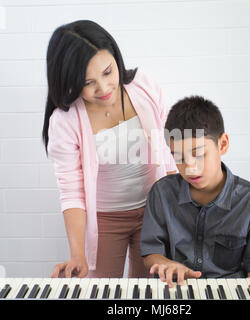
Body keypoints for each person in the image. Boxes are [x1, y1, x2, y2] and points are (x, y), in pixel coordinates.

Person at [42, 20, 177, 278]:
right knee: (102, 293)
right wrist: (78, 254)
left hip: (154, 212)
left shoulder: (144, 85)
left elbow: (171, 153)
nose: (103, 88)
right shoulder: (65, 120)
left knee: (147, 292)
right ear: (69, 80)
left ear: (116, 57)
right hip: (105, 221)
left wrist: (176, 217)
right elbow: (72, 192)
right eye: (88, 82)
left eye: (107, 72)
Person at [140, 95, 250, 287]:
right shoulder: (161, 193)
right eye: (179, 157)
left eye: (199, 154)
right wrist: (165, 264)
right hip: (176, 290)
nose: (190, 167)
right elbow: (151, 252)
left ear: (223, 144)